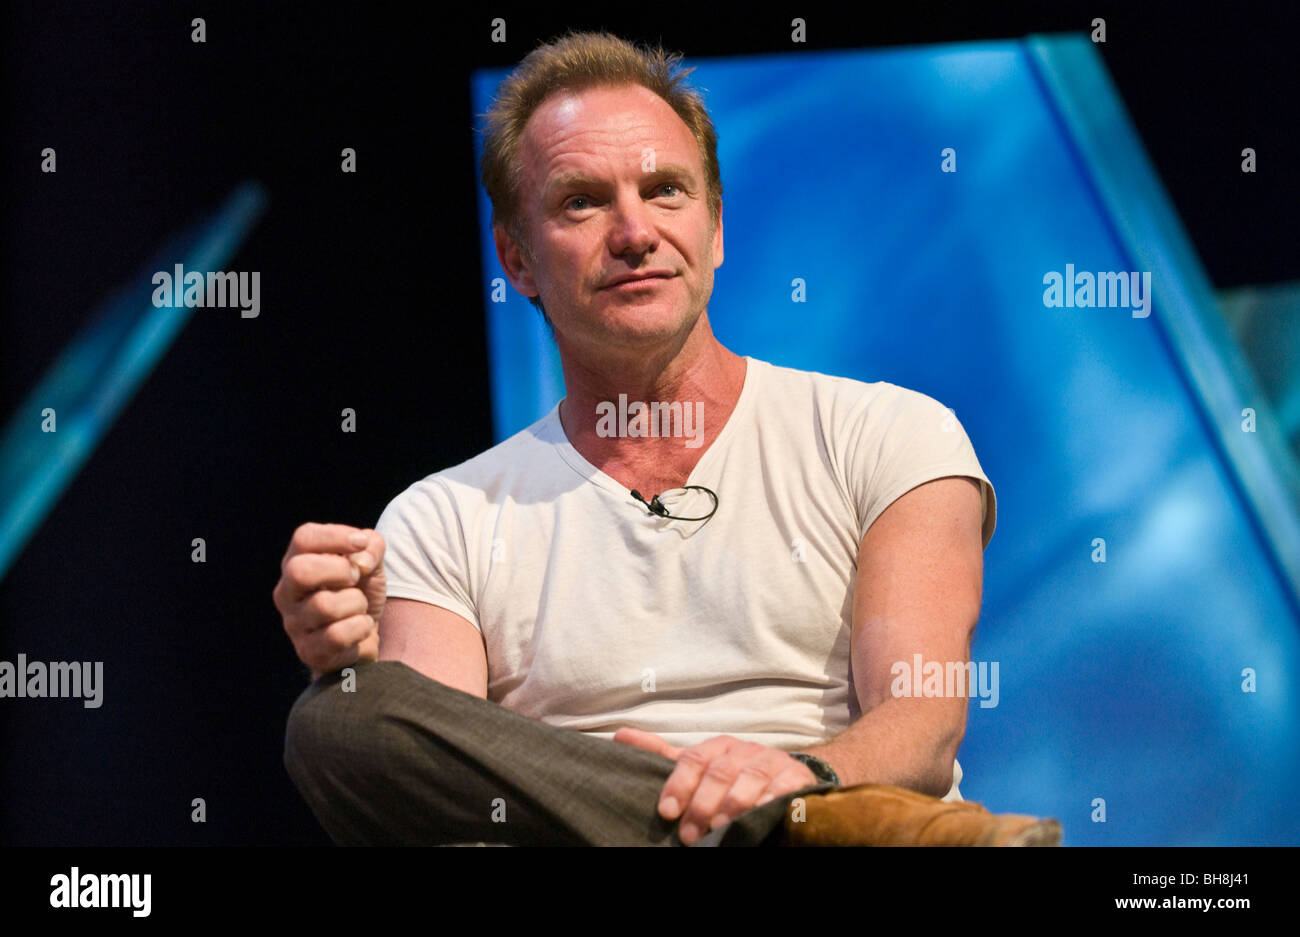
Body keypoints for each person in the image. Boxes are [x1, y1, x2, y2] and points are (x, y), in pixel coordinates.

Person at [272, 30, 1061, 847]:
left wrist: (805, 776)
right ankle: (782, 830)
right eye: (582, 201)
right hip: (817, 833)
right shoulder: (442, 518)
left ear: (715, 227)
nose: (634, 232)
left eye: (665, 191)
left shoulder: (890, 432)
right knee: (339, 717)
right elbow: (440, 806)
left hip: (837, 799)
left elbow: (923, 721)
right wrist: (357, 657)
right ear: (518, 260)